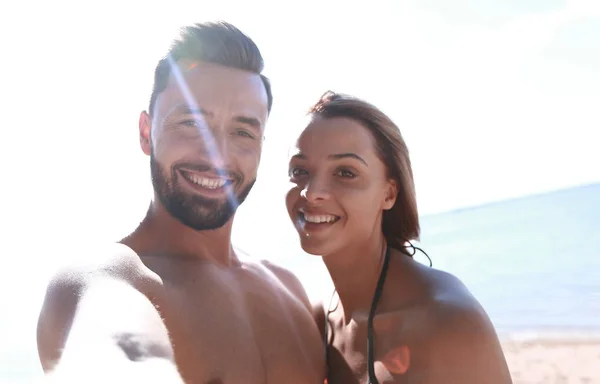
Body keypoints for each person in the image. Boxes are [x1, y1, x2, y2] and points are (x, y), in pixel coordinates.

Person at [37, 22, 325, 383]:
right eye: (190, 123)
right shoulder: (108, 279)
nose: (217, 155)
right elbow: (114, 344)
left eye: (242, 132)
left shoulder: (292, 292)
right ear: (146, 133)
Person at [285, 91, 513, 383]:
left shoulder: (446, 325)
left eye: (345, 172)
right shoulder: (317, 323)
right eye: (300, 170)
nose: (311, 191)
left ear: (389, 193)